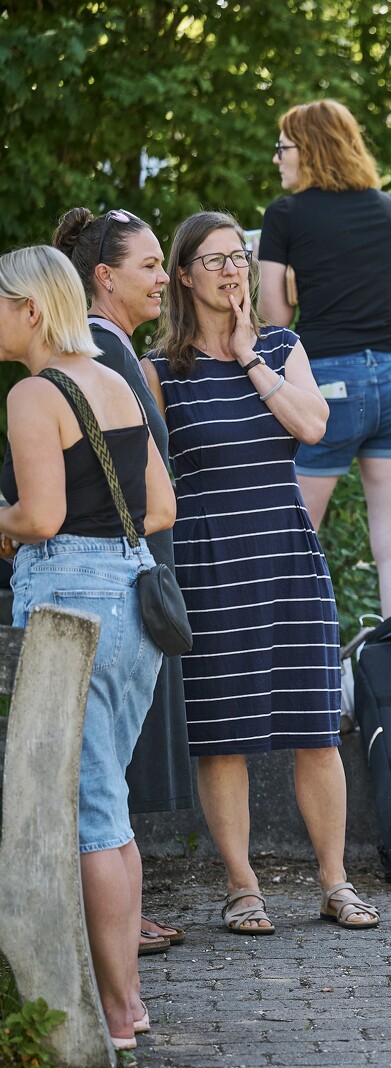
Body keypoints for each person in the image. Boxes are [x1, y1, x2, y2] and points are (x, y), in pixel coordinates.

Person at [144, 211, 378, 937]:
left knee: (315, 726)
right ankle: (242, 886)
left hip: (286, 550)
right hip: (211, 559)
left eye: (237, 257)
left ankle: (335, 881)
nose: (229, 270)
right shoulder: (160, 372)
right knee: (224, 734)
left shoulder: (281, 346)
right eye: (211, 261)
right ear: (182, 275)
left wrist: (251, 356)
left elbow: (312, 427)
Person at [0, 244, 177, 1051]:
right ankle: (127, 999)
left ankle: (117, 1012)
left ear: (30, 308)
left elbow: (36, 517)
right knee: (113, 810)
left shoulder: (36, 393)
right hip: (133, 599)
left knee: (92, 815)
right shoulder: (116, 378)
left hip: (71, 607)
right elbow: (160, 508)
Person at [51, 207, 194, 956]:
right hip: (114, 575)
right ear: (103, 278)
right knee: (109, 760)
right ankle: (111, 926)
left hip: (128, 568)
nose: (164, 277)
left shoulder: (114, 348)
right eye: (147, 266)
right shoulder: (102, 355)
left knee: (113, 757)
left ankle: (119, 916)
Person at [258, 98, 391, 618]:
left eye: (283, 147)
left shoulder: (285, 215)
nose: (277, 158)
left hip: (329, 385)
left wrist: (293, 282)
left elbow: (273, 315)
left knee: (293, 545)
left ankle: (289, 678)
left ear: (309, 150)